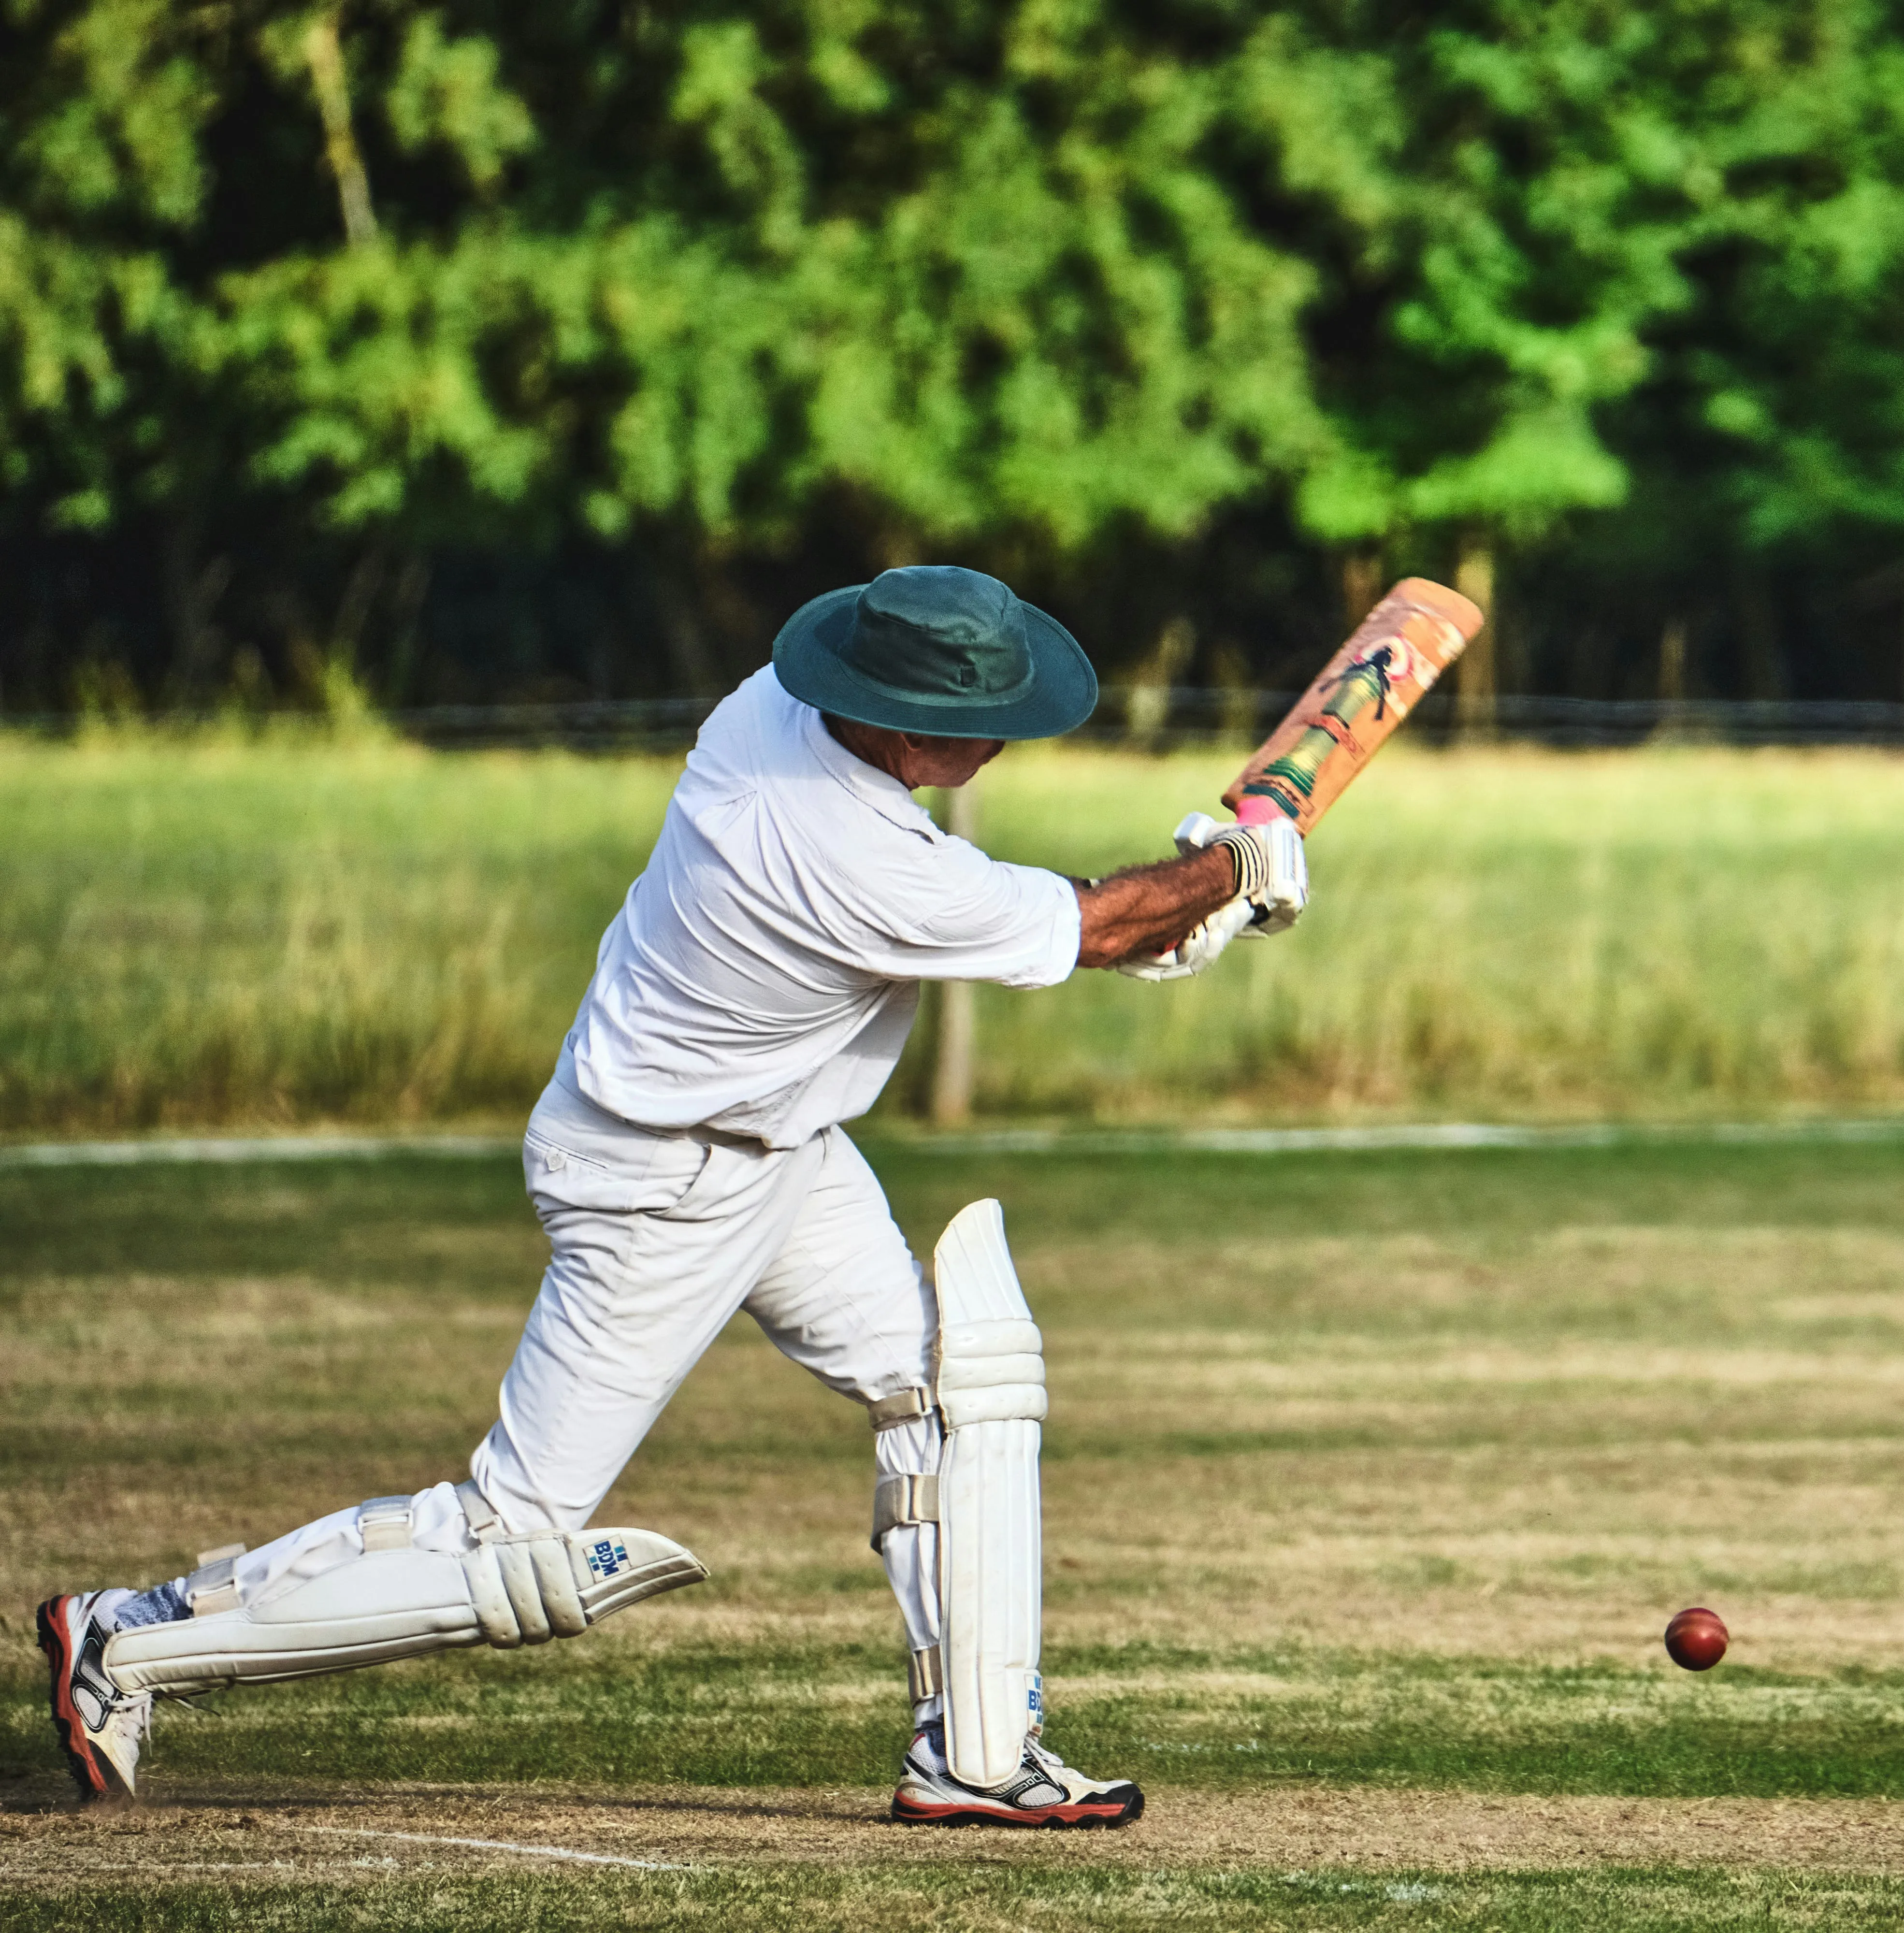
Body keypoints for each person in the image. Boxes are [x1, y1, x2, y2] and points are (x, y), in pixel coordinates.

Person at [36, 567, 1303, 1829]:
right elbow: (1083, 929)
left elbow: (1091, 928)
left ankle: (976, 1754)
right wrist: (1228, 871)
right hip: (662, 1185)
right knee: (511, 1538)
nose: (1007, 735)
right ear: (909, 727)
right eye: (986, 716)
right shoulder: (844, 854)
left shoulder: (773, 707)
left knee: (955, 1387)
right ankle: (130, 1638)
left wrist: (1205, 895)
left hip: (774, 1148)